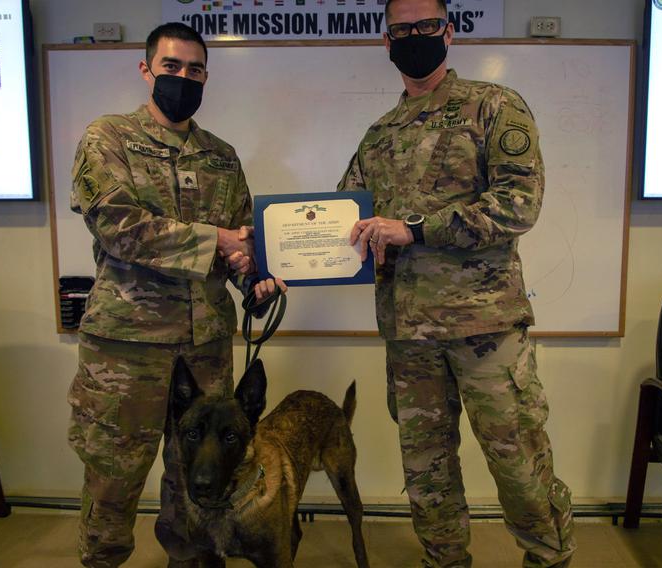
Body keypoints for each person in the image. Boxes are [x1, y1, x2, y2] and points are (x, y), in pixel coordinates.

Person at [336, 0, 576, 566]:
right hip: (409, 334)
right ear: (386, 39)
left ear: (449, 30)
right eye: (402, 29)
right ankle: (443, 560)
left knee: (518, 464)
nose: (414, 37)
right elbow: (344, 217)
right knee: (426, 472)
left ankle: (549, 557)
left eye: (425, 26)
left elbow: (519, 203)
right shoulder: (378, 135)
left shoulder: (493, 106)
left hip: (485, 329)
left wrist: (416, 229)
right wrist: (281, 251)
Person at [66, 22, 283, 567]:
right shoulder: (107, 138)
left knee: (197, 477)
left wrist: (253, 278)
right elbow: (118, 225)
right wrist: (218, 241)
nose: (183, 77)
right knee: (114, 472)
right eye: (171, 66)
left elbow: (240, 244)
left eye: (194, 69)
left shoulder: (222, 157)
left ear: (206, 75)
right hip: (126, 347)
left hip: (205, 345)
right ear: (147, 70)